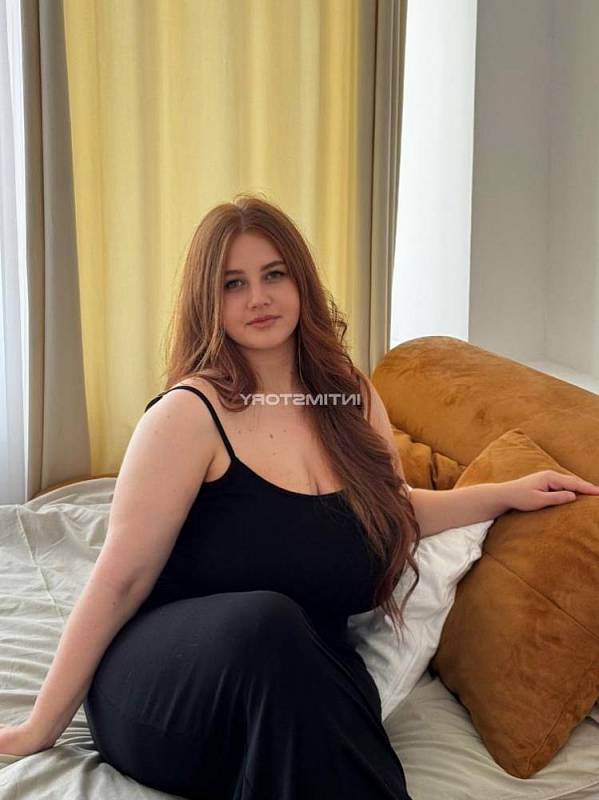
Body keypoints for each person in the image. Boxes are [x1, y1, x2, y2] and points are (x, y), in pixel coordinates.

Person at [0, 195, 422, 798]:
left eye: (274, 274)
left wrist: (504, 494)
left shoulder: (349, 398)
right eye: (233, 283)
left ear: (301, 282)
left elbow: (394, 508)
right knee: (270, 620)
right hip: (165, 688)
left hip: (298, 683)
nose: (258, 298)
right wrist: (39, 727)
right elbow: (120, 578)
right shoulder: (188, 414)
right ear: (208, 300)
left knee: (313, 673)